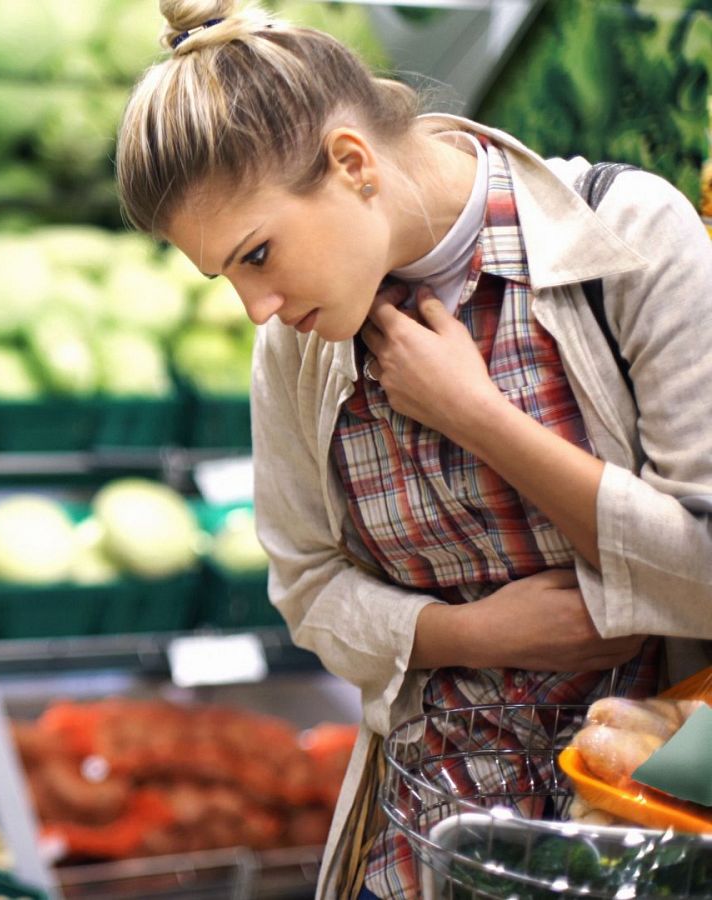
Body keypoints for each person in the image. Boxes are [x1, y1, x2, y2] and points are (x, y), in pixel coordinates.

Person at [114, 1, 712, 897]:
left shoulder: (626, 235)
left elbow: (704, 561)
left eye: (260, 253)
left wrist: (479, 418)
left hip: (638, 841)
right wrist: (468, 633)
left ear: (352, 162)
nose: (256, 306)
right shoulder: (298, 348)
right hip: (415, 847)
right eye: (228, 274)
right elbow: (307, 585)